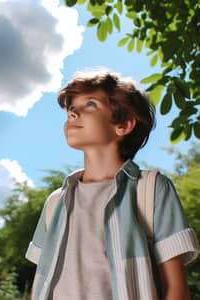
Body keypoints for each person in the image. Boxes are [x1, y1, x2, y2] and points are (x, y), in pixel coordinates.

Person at [25, 70, 199, 300]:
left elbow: (176, 290)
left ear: (124, 125)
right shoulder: (55, 202)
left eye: (90, 104)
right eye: (71, 108)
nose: (73, 113)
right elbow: (41, 283)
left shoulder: (150, 189)